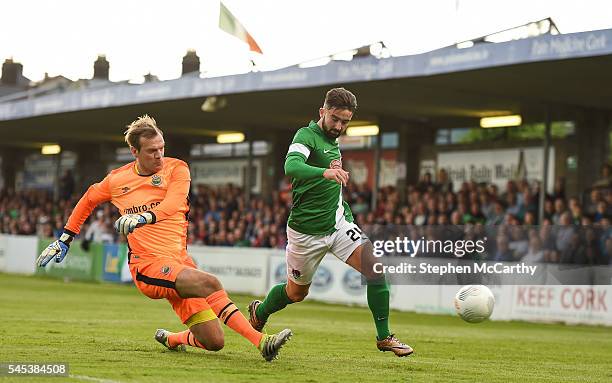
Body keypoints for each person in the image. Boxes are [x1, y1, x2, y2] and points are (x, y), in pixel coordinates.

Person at [36, 115, 291, 362]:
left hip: (180, 263)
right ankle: (262, 342)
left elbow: (172, 204)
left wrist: (143, 217)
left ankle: (172, 339)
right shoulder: (117, 180)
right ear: (134, 152)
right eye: (151, 151)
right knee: (210, 283)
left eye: (161, 148)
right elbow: (88, 199)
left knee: (214, 341)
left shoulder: (177, 168)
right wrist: (65, 238)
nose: (159, 155)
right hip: (147, 266)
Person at [247, 88, 413, 357]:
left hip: (337, 224)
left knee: (375, 269)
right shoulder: (306, 135)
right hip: (304, 232)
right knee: (295, 293)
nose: (339, 126)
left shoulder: (334, 141)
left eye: (345, 121)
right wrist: (325, 172)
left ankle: (384, 337)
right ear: (322, 112)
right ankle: (260, 310)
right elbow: (291, 166)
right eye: (335, 119)